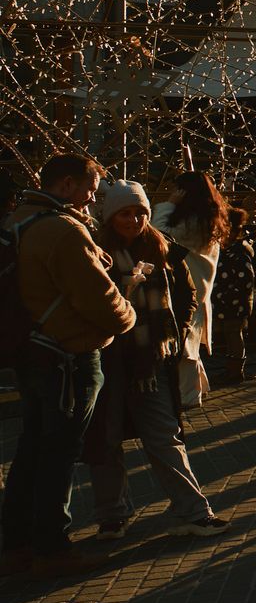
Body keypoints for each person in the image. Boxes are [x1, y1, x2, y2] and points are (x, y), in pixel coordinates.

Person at [1, 156, 135, 578]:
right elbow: (100, 298)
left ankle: (16, 544)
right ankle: (52, 547)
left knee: (33, 447)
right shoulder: (61, 230)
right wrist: (128, 314)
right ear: (65, 185)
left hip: (30, 351)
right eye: (90, 187)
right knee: (59, 453)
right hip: (67, 356)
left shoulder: (16, 221)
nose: (93, 197)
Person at [83, 181, 228, 540]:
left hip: (150, 361)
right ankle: (112, 515)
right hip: (107, 357)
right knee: (106, 438)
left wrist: (175, 332)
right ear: (111, 216)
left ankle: (192, 512)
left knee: (164, 436)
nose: (134, 220)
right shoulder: (96, 252)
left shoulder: (164, 249)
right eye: (125, 214)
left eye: (140, 213)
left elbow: (187, 293)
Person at [152, 172, 228, 402]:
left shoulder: (193, 223)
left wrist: (167, 205)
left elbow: (158, 234)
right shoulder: (210, 219)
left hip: (190, 286)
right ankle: (197, 386)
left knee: (187, 343)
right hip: (200, 284)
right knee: (190, 339)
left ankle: (188, 395)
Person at [209, 207, 256, 385]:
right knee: (230, 335)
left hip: (235, 303)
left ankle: (235, 371)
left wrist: (229, 295)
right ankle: (232, 369)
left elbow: (246, 280)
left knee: (234, 334)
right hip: (225, 300)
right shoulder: (225, 250)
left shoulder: (239, 253)